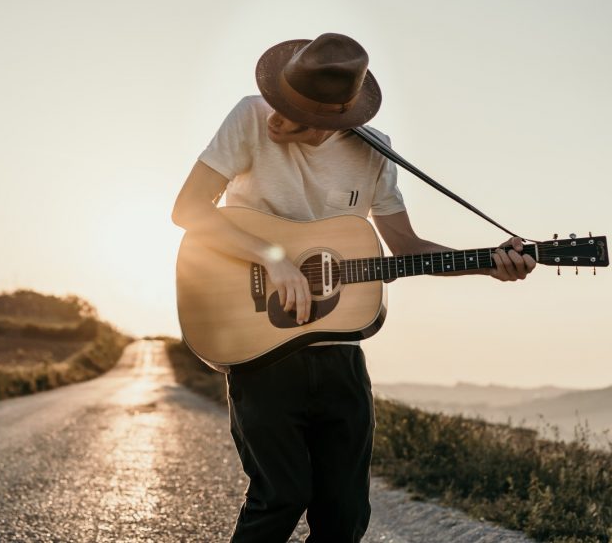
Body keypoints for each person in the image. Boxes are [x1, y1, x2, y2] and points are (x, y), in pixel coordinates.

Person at [171, 33, 536, 543]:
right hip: (259, 346)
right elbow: (187, 210)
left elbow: (406, 247)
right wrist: (274, 260)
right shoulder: (251, 117)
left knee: (345, 514)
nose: (286, 121)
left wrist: (487, 264)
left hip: (339, 353)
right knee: (281, 495)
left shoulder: (375, 151)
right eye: (287, 105)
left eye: (309, 116)